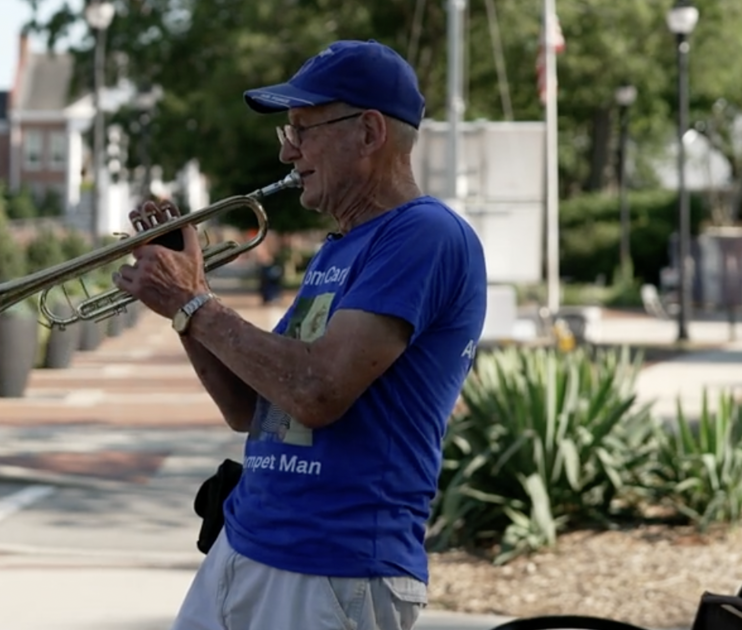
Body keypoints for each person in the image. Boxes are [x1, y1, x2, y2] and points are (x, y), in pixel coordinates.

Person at [112, 39, 488, 630]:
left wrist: (195, 301)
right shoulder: (340, 247)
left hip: (335, 569)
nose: (289, 152)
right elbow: (250, 409)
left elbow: (318, 392)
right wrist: (184, 310)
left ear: (368, 133)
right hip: (247, 545)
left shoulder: (426, 234)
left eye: (304, 129)